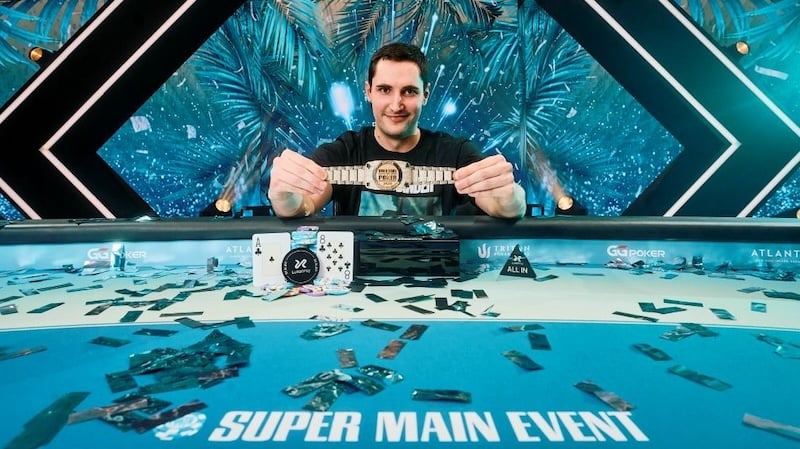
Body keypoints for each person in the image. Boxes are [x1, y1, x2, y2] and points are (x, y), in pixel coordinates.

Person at [268, 42, 526, 218]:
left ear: (425, 95)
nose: (396, 104)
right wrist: (283, 196)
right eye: (384, 90)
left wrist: (510, 196)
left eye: (409, 91)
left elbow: (506, 208)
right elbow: (301, 206)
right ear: (368, 92)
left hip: (436, 277)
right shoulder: (345, 151)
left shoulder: (456, 154)